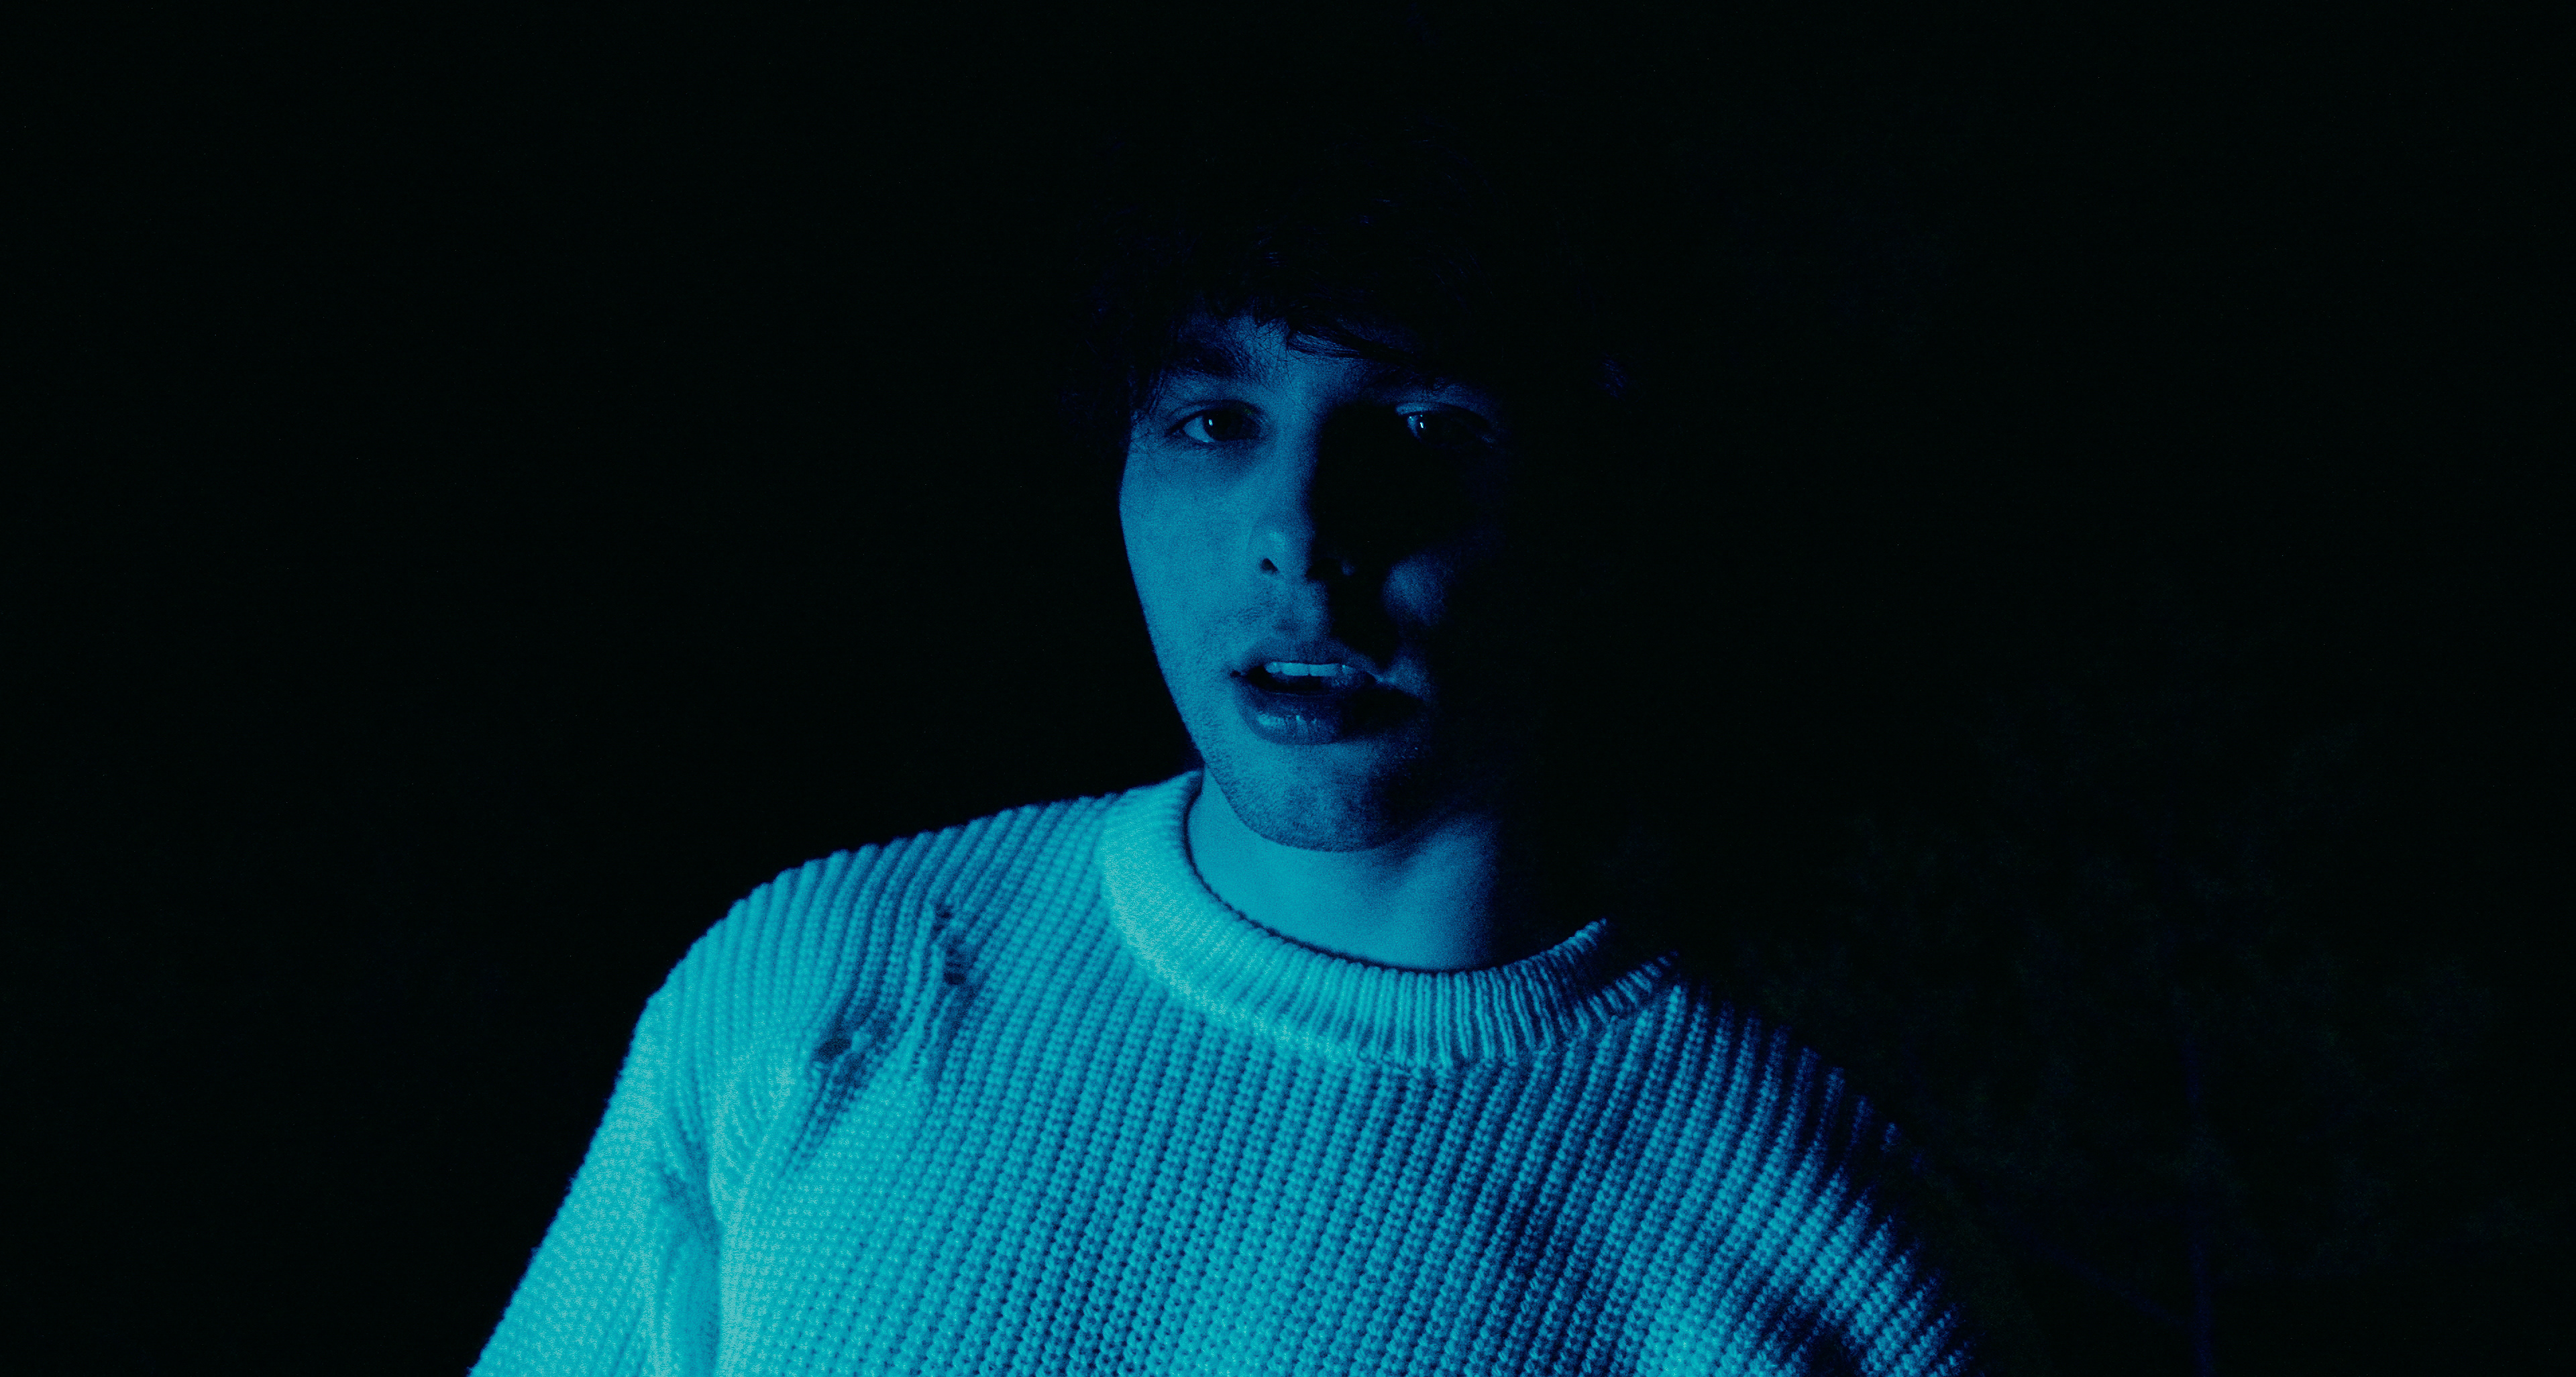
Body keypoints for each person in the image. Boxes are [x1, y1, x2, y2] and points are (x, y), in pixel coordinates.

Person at [473, 83, 2043, 1376]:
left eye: (1423, 428)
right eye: (1215, 422)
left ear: (1592, 508)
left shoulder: (1827, 1269)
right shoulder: (827, 981)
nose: (1300, 531)